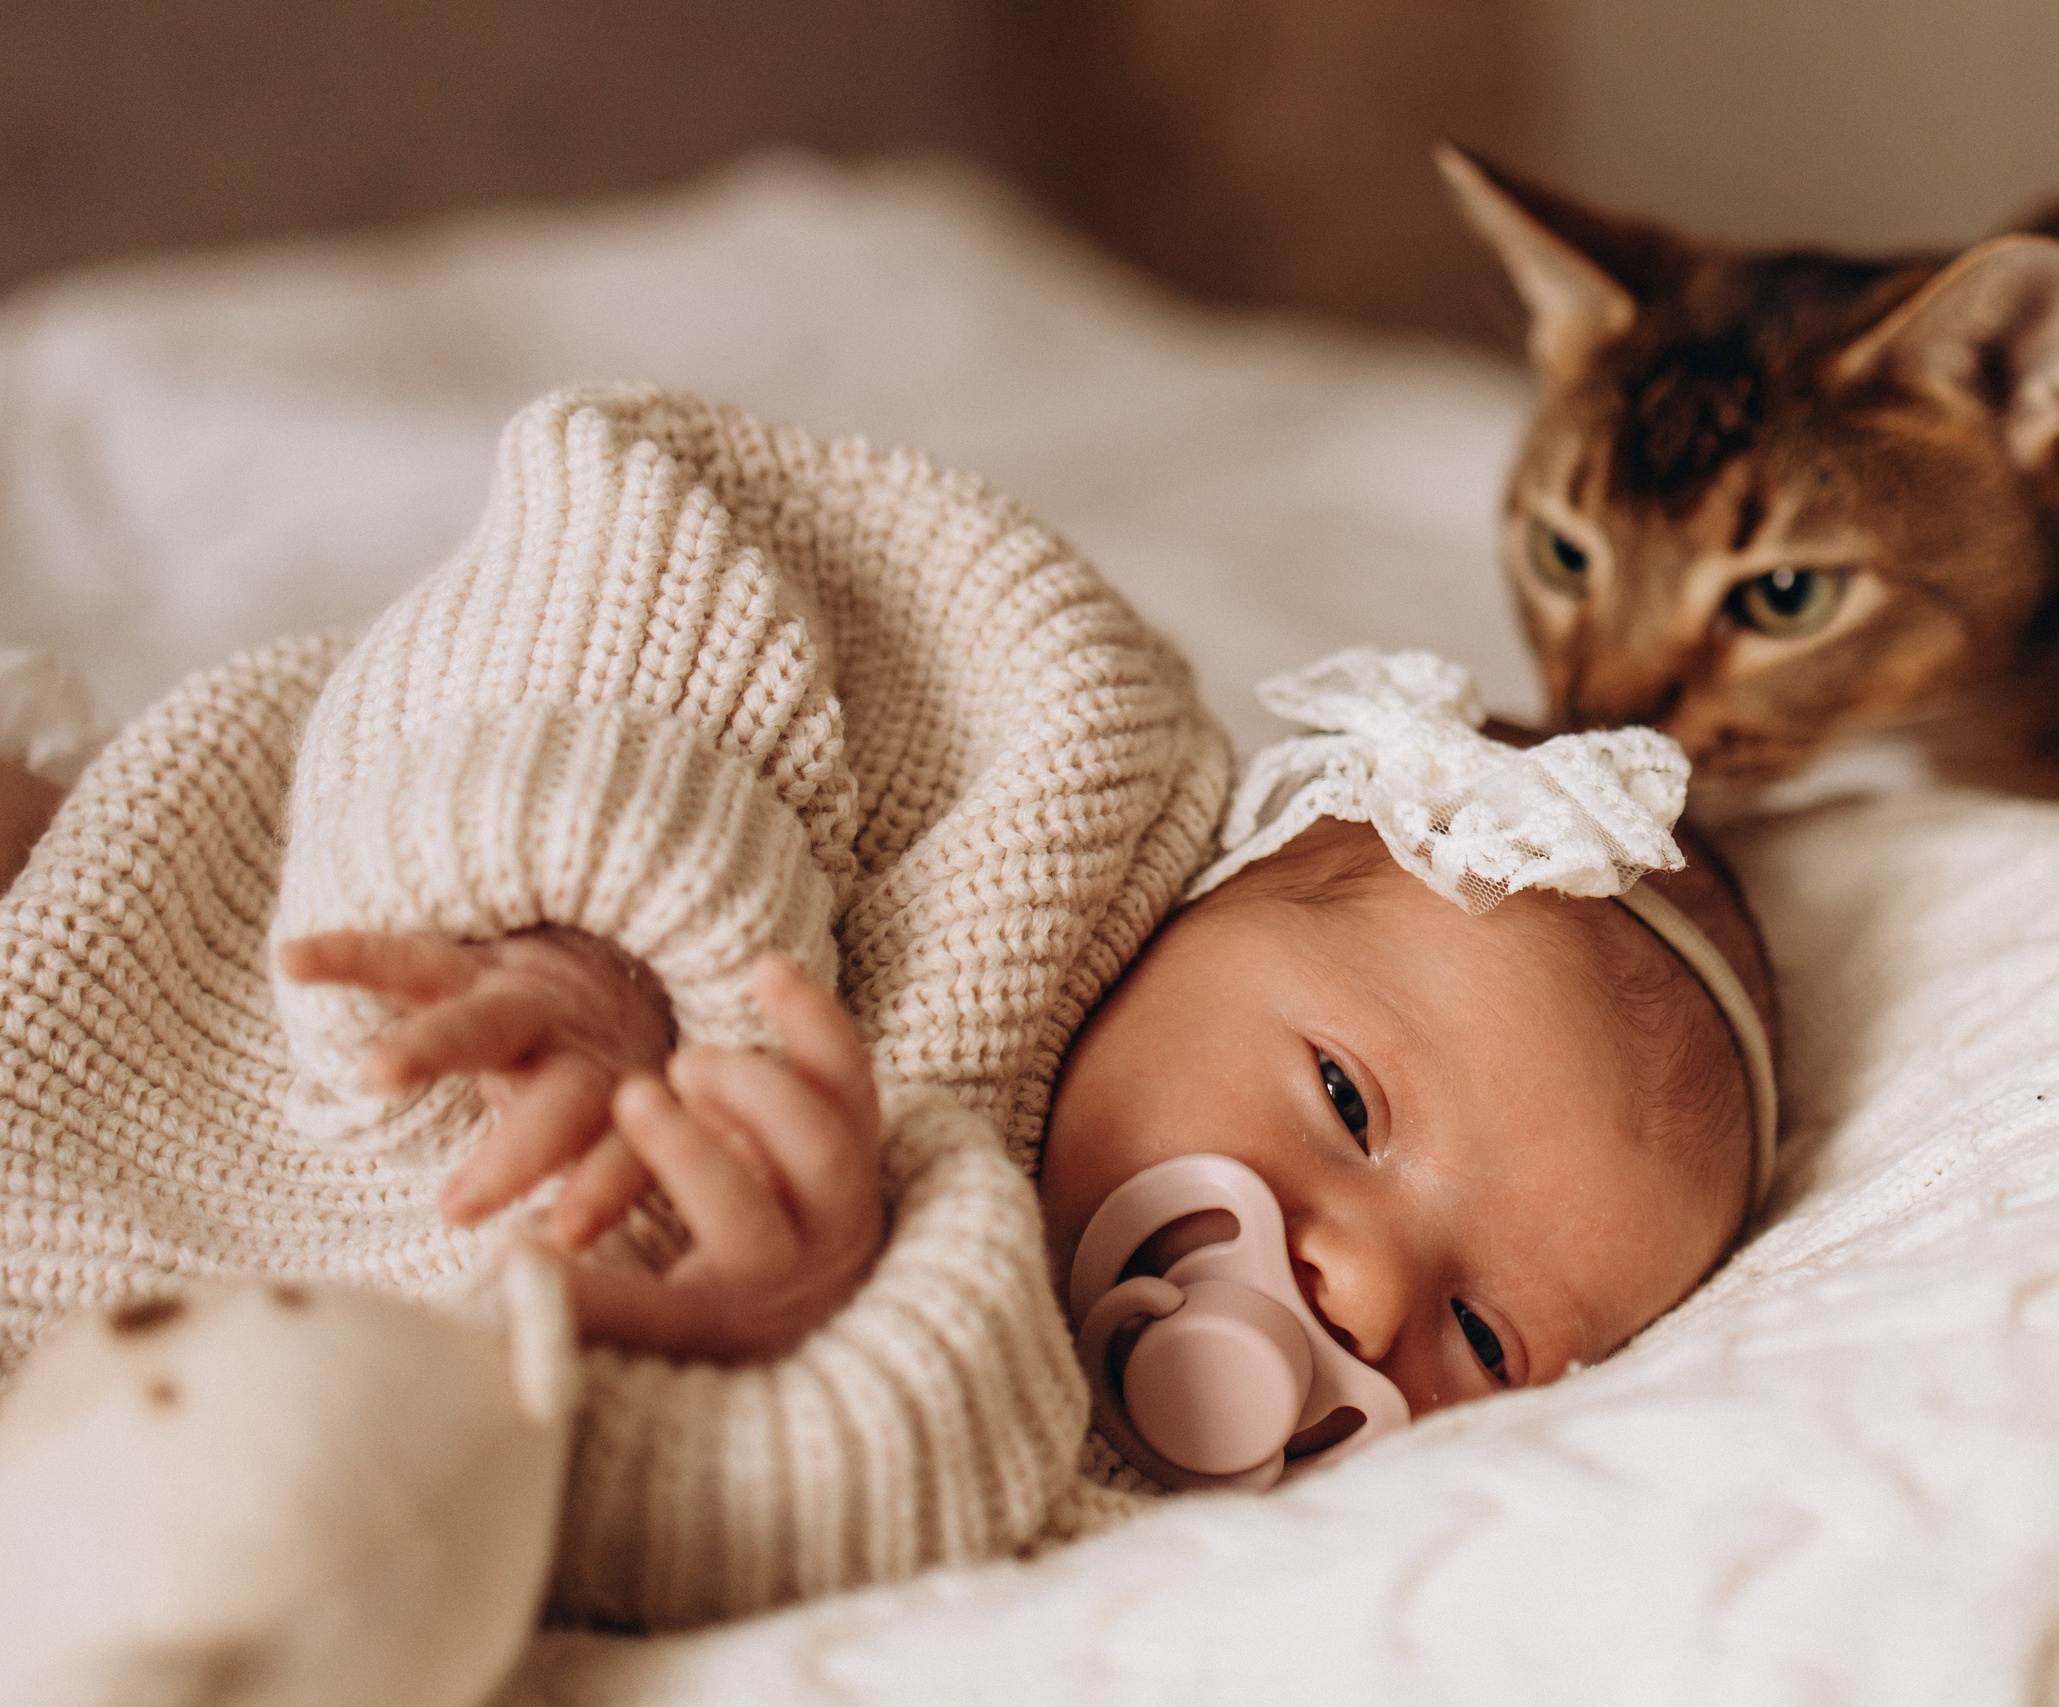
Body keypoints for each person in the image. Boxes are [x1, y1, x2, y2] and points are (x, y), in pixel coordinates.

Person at [0, 387, 1776, 1632]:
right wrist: (595, 930)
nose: (1372, 1293)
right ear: (1230, 887)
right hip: (177, 964)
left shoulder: (1055, 1467)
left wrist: (780, 1331)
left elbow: (662, 1532)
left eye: (1486, 1343)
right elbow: (655, 519)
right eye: (1346, 1098)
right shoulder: (1053, 736)